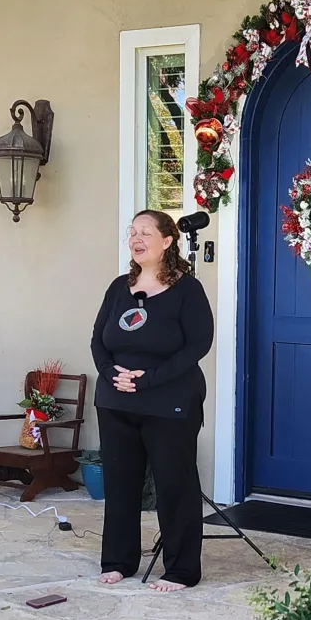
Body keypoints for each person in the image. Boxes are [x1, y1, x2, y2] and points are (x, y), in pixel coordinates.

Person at [90, 209, 214, 592]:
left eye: (145, 232)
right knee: (120, 483)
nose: (136, 238)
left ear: (167, 241)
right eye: (132, 232)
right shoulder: (118, 288)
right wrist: (112, 374)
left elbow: (198, 344)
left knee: (174, 485)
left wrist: (151, 379)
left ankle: (180, 570)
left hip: (169, 402)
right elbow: (98, 340)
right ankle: (118, 561)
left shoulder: (186, 289)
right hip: (116, 401)